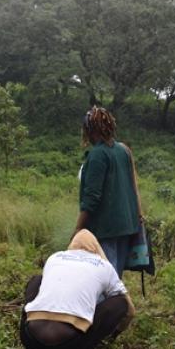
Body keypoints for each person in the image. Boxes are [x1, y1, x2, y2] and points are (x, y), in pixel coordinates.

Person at [20, 229, 135, 349]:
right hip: (69, 346)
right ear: (96, 248)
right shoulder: (104, 265)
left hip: (30, 339)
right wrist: (114, 334)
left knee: (37, 281)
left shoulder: (55, 257)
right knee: (120, 303)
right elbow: (130, 310)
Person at [75, 106, 139, 277]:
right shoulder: (123, 150)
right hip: (126, 225)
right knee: (114, 276)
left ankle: (112, 304)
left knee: (104, 278)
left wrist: (78, 230)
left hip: (106, 228)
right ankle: (118, 303)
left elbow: (91, 199)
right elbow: (134, 186)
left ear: (89, 130)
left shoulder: (97, 155)